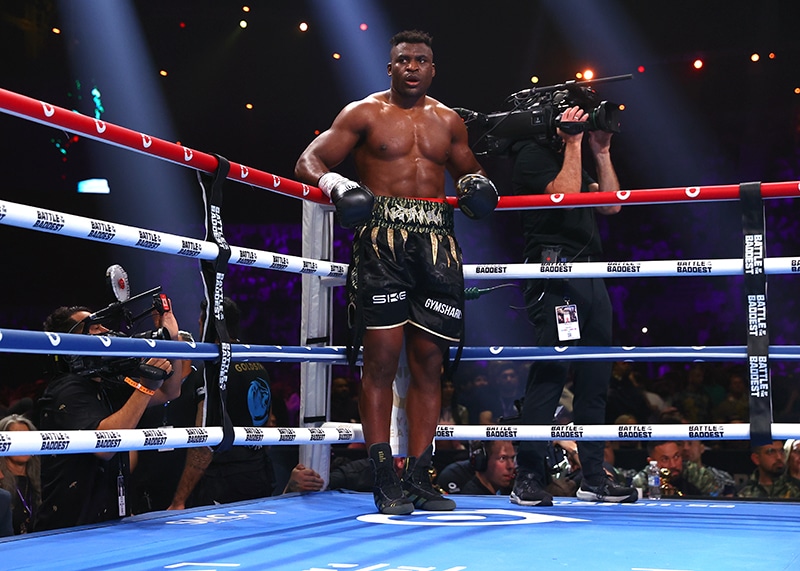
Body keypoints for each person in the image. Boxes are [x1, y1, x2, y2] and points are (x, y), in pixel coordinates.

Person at [295, 29, 496, 515]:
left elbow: (476, 176)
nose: (411, 66)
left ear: (432, 68)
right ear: (390, 68)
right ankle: (384, 477)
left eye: (421, 60)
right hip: (382, 243)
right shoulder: (363, 113)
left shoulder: (448, 122)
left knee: (429, 365)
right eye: (403, 59)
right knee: (381, 361)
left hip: (436, 245)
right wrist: (337, 184)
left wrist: (476, 185)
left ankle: (421, 477)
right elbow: (309, 160)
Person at [509, 102, 636, 505]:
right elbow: (563, 196)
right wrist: (574, 144)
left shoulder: (580, 155)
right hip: (554, 272)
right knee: (553, 370)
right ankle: (527, 475)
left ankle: (594, 477)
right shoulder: (531, 153)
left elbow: (611, 204)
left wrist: (601, 150)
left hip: (591, 274)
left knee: (596, 378)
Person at [35, 302, 180, 530]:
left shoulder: (110, 382)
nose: (105, 331)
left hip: (111, 520)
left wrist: (170, 338)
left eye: (102, 324)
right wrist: (145, 388)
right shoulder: (66, 389)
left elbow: (169, 391)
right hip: (72, 527)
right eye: (93, 328)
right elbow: (104, 447)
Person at [168, 298, 323, 510]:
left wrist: (179, 499)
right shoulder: (257, 365)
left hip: (222, 482)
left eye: (201, 323)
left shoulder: (213, 370)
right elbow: (267, 424)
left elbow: (204, 439)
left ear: (208, 326)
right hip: (258, 471)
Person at [0, 414, 41, 533]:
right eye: (17, 440)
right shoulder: (1, 485)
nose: (23, 444)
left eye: (27, 440)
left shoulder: (42, 479)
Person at [632, 440, 714, 497]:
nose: (673, 465)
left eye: (676, 457)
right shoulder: (641, 481)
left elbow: (717, 500)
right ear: (651, 462)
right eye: (665, 459)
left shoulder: (696, 474)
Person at [736, 440, 800, 499]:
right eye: (771, 452)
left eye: (781, 451)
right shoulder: (741, 492)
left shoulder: (796, 487)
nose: (779, 457)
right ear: (756, 459)